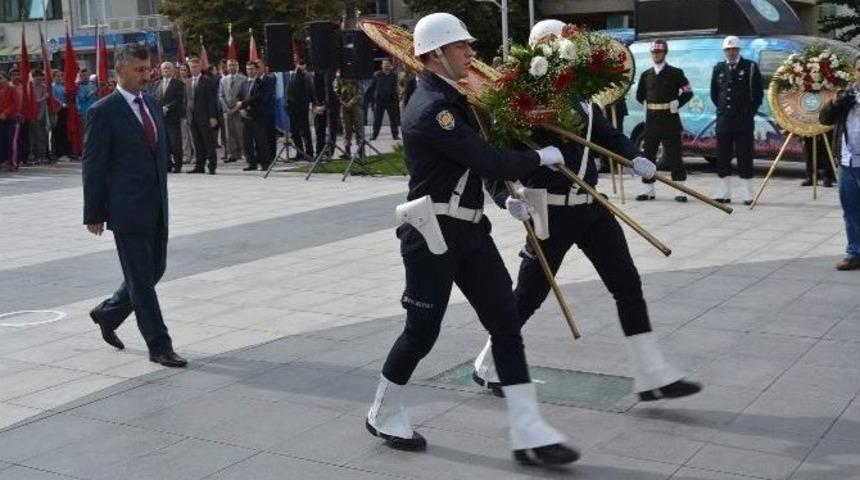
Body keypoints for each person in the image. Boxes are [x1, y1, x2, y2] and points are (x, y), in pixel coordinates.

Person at [365, 12, 578, 466]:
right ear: (435, 55)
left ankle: (529, 430)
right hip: (433, 233)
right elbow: (487, 159)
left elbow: (483, 166)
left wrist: (504, 198)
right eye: (460, 46)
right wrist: (539, 157)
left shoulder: (456, 99)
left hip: (470, 230)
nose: (470, 53)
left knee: (505, 321)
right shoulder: (433, 109)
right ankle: (383, 411)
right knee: (422, 331)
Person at [471, 19, 703, 405]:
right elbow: (494, 157)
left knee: (627, 284)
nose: (572, 51)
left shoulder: (580, 94)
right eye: (564, 44)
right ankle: (487, 362)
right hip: (550, 212)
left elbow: (608, 137)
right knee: (529, 294)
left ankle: (651, 373)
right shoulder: (521, 100)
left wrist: (635, 157)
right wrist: (504, 197)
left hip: (592, 207)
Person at [82, 44, 187, 368]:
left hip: (157, 206)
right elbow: (93, 165)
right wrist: (94, 212)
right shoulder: (103, 111)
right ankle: (160, 345)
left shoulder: (151, 103)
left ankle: (108, 313)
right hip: (126, 209)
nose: (147, 75)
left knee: (156, 269)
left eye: (148, 69)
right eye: (140, 70)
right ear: (121, 71)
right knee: (141, 279)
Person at [635, 39, 693, 202]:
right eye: (654, 52)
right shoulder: (646, 75)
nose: (656, 55)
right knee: (648, 156)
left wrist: (678, 102)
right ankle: (648, 189)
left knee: (675, 156)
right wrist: (648, 104)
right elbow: (640, 95)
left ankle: (680, 190)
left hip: (670, 119)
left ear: (665, 53)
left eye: (659, 52)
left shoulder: (675, 73)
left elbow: (688, 92)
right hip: (652, 120)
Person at [710, 35, 763, 205]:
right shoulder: (718, 68)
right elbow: (714, 94)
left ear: (739, 50)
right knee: (723, 156)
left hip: (743, 120)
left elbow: (758, 94)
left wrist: (749, 112)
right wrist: (723, 110)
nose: (731, 52)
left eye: (734, 49)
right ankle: (724, 193)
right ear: (724, 51)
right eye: (728, 50)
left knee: (744, 156)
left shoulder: (750, 67)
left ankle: (748, 194)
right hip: (724, 120)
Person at [820, 55, 860, 271]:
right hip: (847, 162)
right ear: (854, 72)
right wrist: (834, 103)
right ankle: (854, 253)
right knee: (851, 210)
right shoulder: (847, 95)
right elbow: (824, 119)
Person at [237, 60, 272, 171]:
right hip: (245, 117)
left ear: (256, 69)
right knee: (247, 141)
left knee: (260, 141)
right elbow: (239, 97)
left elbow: (258, 98)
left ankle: (265, 163)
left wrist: (244, 105)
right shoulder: (244, 83)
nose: (250, 71)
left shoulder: (261, 83)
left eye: (252, 69)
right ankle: (252, 163)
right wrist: (241, 109)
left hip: (257, 116)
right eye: (248, 69)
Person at [186, 57, 219, 174]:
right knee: (197, 143)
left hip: (205, 117)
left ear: (200, 67)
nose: (194, 69)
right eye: (191, 67)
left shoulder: (207, 80)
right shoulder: (188, 82)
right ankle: (199, 166)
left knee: (208, 143)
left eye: (196, 67)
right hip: (192, 117)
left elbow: (212, 100)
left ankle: (212, 166)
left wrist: (213, 116)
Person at [153, 62, 185, 173]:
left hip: (173, 117)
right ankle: (167, 164)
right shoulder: (156, 84)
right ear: (161, 71)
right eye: (164, 68)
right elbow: (153, 98)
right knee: (164, 142)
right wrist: (158, 108)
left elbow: (179, 99)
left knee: (175, 142)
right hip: (160, 118)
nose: (166, 70)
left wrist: (167, 107)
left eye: (168, 68)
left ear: (173, 70)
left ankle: (178, 165)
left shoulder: (178, 84)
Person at [219, 59, 246, 163]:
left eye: (234, 65)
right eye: (230, 65)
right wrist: (226, 108)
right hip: (227, 111)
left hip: (239, 110)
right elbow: (221, 95)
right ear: (227, 67)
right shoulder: (223, 80)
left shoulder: (243, 79)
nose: (232, 67)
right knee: (229, 134)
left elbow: (245, 95)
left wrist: (236, 108)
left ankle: (244, 153)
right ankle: (232, 154)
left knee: (240, 133)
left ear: (238, 66)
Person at [287, 59, 315, 159]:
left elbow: (309, 90)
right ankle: (299, 152)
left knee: (305, 131)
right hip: (292, 108)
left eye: (298, 62)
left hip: (302, 107)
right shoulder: (290, 74)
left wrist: (310, 103)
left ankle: (309, 153)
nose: (297, 64)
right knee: (294, 132)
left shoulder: (305, 75)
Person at [334, 72, 364, 159]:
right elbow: (335, 90)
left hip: (356, 105)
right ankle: (347, 152)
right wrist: (342, 101)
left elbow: (360, 90)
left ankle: (361, 152)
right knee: (346, 128)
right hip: (344, 106)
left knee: (359, 127)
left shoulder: (356, 75)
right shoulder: (339, 77)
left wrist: (352, 101)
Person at [369, 59, 400, 140]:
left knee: (393, 119)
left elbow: (397, 86)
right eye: (384, 64)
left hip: (391, 100)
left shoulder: (394, 75)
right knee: (377, 119)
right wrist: (372, 100)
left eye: (387, 64)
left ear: (390, 65)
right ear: (382, 66)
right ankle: (374, 135)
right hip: (379, 101)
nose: (386, 66)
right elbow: (372, 88)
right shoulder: (377, 75)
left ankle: (395, 135)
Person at [31, 69, 50, 164]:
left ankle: (43, 156)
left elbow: (43, 104)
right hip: (33, 115)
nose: (38, 78)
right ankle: (36, 156)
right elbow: (34, 102)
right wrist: (43, 98)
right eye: (36, 76)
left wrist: (41, 115)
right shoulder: (30, 87)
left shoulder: (43, 87)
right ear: (33, 77)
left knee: (44, 136)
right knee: (35, 137)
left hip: (42, 115)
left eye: (40, 76)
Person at [51, 69, 70, 160]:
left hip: (64, 111)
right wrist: (61, 103)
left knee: (63, 131)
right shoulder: (52, 87)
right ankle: (58, 153)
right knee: (57, 132)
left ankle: (64, 152)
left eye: (60, 76)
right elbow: (53, 98)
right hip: (57, 111)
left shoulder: (63, 87)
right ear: (53, 77)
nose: (59, 78)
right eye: (57, 76)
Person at [178, 63, 195, 164]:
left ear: (188, 71)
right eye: (181, 70)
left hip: (192, 112)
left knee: (193, 136)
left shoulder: (191, 81)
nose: (183, 72)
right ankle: (186, 155)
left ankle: (197, 155)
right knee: (184, 137)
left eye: (184, 70)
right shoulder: (177, 83)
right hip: (181, 113)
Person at [0, 72, 15, 170]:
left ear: (6, 78)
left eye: (1, 78)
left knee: (9, 140)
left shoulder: (11, 89)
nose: (0, 80)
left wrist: (5, 113)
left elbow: (14, 104)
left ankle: (10, 161)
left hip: (9, 118)